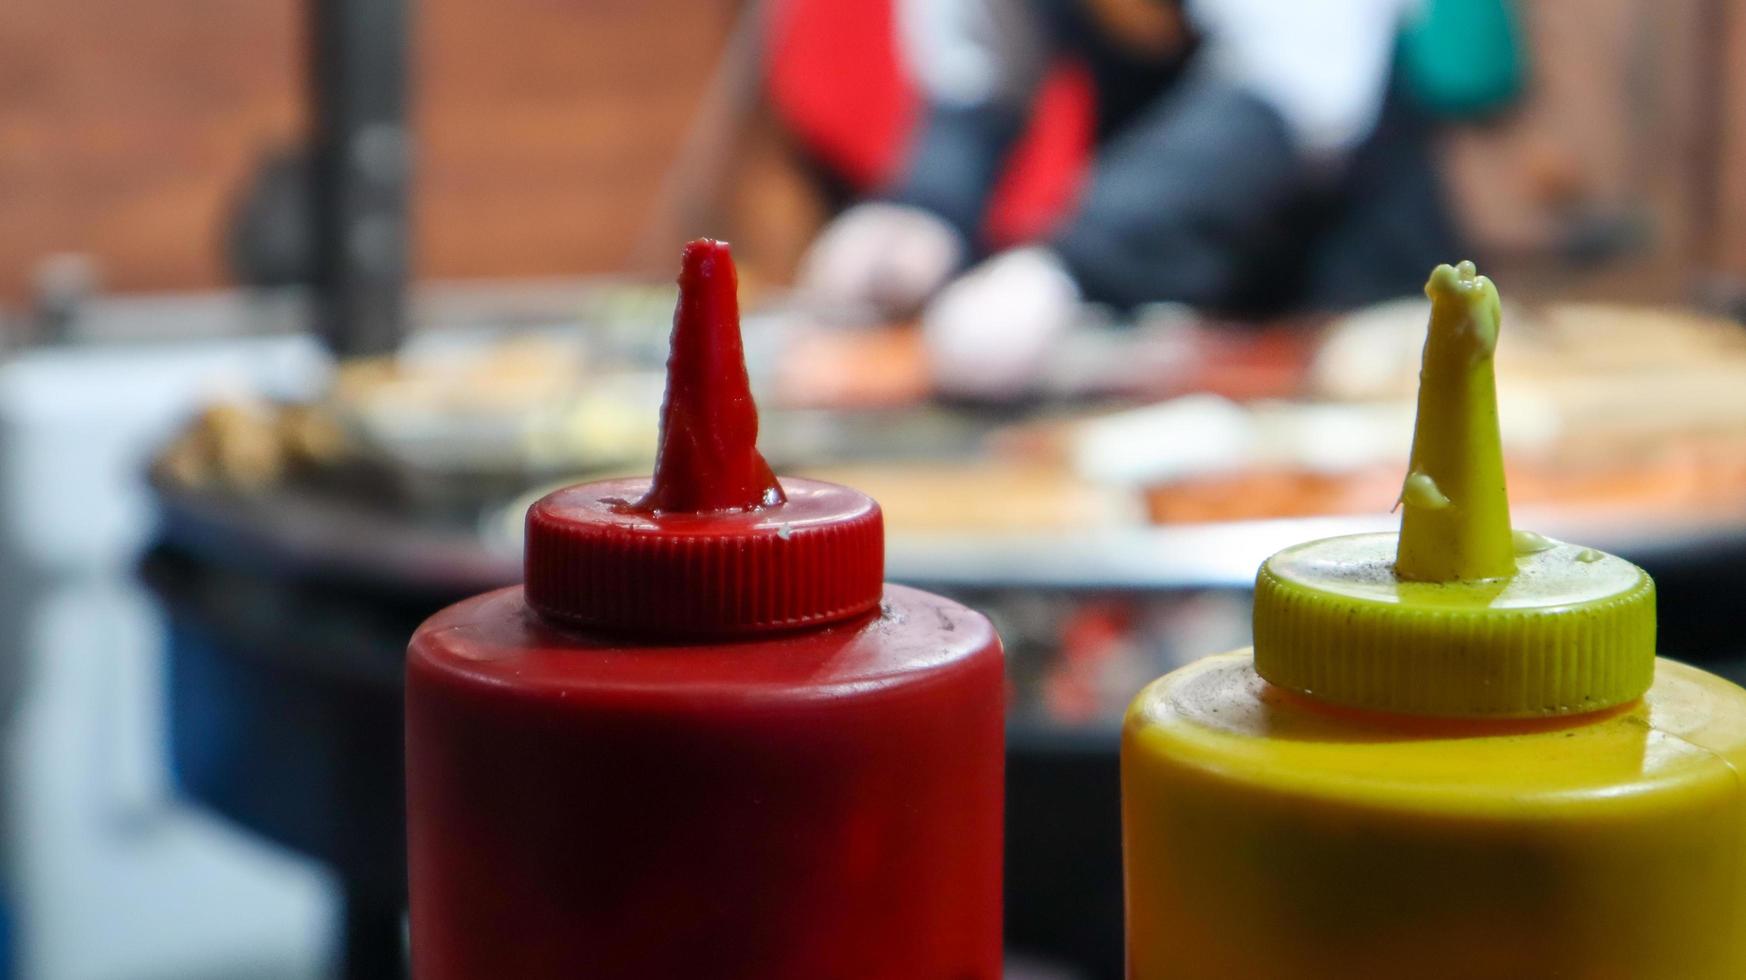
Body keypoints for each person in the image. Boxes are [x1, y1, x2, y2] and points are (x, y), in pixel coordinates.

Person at [798, 0, 1517, 398]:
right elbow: (978, 84)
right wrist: (921, 212)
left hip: (1352, 300)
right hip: (1180, 323)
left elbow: (1289, 97)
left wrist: (1071, 266)